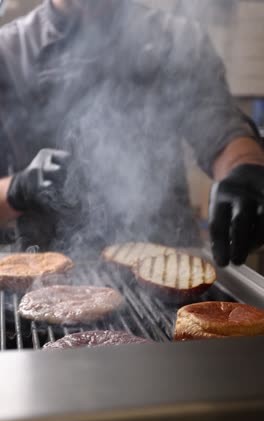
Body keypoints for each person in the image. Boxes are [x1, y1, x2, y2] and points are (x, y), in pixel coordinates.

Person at [0, 0, 264, 266]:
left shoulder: (175, 38)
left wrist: (244, 171)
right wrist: (19, 187)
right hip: (43, 273)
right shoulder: (9, 51)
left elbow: (222, 129)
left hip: (164, 262)